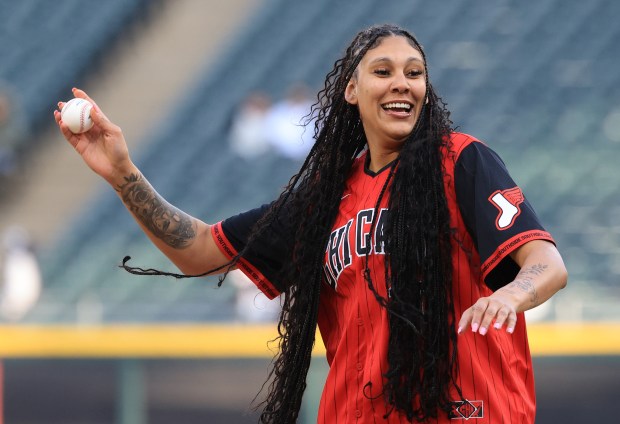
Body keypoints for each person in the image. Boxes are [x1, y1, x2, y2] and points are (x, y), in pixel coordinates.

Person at [54, 24, 567, 424]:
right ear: (351, 90)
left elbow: (545, 262)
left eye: (414, 73)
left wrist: (512, 295)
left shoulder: (462, 162)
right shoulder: (324, 201)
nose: (401, 83)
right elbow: (200, 250)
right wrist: (122, 174)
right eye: (383, 70)